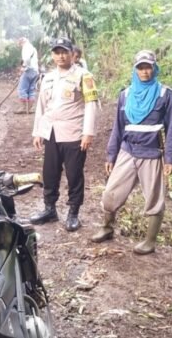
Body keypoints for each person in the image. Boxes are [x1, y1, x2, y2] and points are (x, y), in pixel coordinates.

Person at [91, 50, 172, 255]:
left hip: (151, 152)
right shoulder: (126, 94)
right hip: (127, 151)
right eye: (141, 67)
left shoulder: (165, 94)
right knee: (111, 192)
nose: (145, 71)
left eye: (148, 67)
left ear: (154, 68)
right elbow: (118, 127)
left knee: (154, 198)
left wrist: (170, 158)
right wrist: (111, 155)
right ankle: (106, 227)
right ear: (135, 69)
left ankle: (149, 241)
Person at [30, 37, 98, 231]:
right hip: (51, 132)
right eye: (57, 52)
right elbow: (42, 106)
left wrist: (88, 133)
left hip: (74, 133)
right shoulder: (48, 77)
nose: (60, 56)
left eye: (64, 52)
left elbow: (91, 105)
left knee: (74, 174)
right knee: (50, 172)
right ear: (52, 55)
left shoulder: (84, 76)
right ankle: (49, 209)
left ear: (72, 55)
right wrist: (38, 132)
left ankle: (73, 212)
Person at [16, 37, 39, 114]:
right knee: (31, 90)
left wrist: (24, 67)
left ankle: (23, 108)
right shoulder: (33, 48)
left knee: (22, 89)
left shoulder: (26, 47)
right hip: (35, 71)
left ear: (22, 42)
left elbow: (26, 59)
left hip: (28, 70)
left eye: (20, 44)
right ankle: (29, 109)